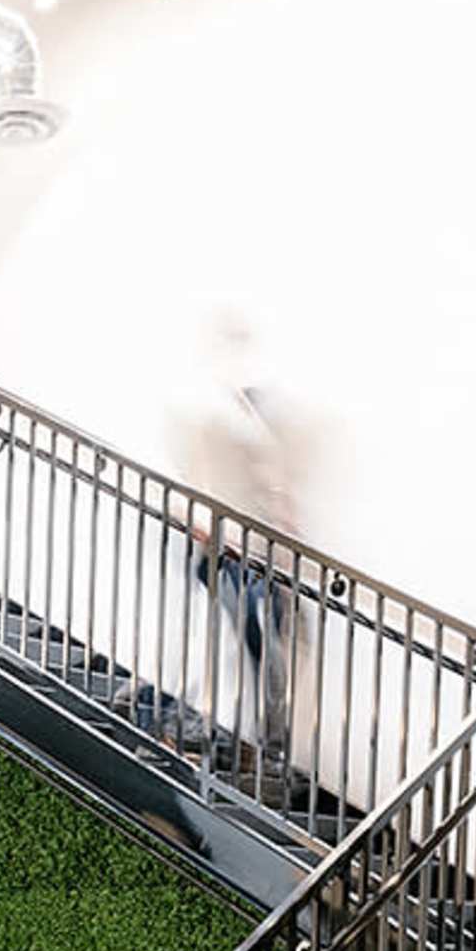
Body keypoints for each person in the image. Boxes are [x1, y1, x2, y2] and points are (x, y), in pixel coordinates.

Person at [173, 311, 309, 806]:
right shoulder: (213, 410)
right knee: (240, 642)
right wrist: (204, 519)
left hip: (259, 551)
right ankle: (222, 734)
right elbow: (202, 474)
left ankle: (263, 749)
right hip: (229, 548)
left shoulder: (253, 413)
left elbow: (272, 482)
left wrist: (285, 520)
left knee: (259, 646)